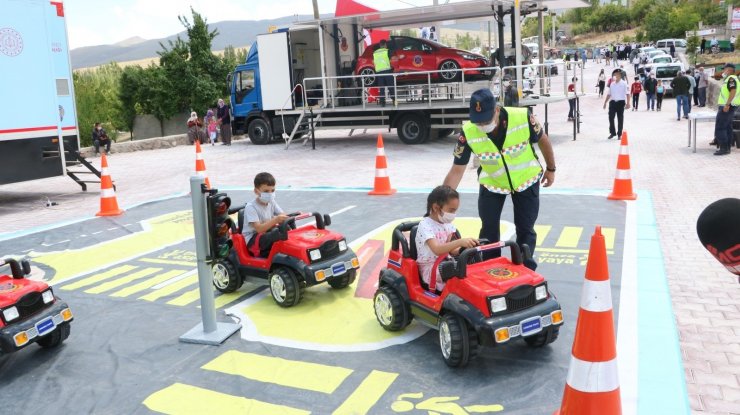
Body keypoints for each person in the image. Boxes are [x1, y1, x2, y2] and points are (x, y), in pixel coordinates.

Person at [443, 89, 556, 271]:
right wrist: (441, 203)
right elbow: (457, 170)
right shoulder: (468, 132)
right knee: (488, 230)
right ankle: (490, 269)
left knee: (526, 229)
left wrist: (551, 169)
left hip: (525, 180)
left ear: (496, 110)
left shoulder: (522, 117)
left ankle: (525, 270)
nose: (482, 125)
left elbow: (543, 140)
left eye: (486, 121)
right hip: (492, 183)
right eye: (477, 121)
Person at [415, 185, 478, 291]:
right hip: (430, 268)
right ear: (436, 208)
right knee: (454, 268)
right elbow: (437, 250)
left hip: (446, 261)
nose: (453, 214)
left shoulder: (447, 224)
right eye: (451, 210)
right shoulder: (425, 225)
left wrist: (465, 248)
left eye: (455, 211)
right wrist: (460, 242)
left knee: (474, 258)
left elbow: (452, 251)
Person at [242, 172, 289, 257]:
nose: (270, 194)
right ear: (256, 191)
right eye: (266, 191)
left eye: (272, 190)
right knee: (276, 234)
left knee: (287, 227)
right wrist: (276, 220)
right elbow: (259, 229)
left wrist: (293, 217)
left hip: (266, 232)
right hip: (253, 238)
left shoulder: (271, 202)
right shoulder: (251, 207)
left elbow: (282, 215)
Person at [713, 63, 739, 156]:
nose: (723, 71)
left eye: (724, 70)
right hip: (730, 106)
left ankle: (724, 148)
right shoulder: (733, 79)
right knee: (727, 127)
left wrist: (727, 104)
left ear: (728, 70)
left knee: (720, 127)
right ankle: (727, 148)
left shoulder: (731, 79)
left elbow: (733, 91)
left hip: (728, 106)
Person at [603, 68, 630, 140]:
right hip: (612, 102)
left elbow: (628, 94)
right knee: (611, 117)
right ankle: (612, 132)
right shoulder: (612, 84)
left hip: (621, 103)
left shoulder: (624, 83)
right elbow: (609, 94)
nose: (615, 76)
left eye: (617, 74)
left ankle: (619, 134)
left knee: (620, 118)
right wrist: (605, 102)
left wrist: (628, 103)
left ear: (620, 75)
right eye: (614, 75)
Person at [373, 39, 396, 107]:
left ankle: (382, 102)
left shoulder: (375, 52)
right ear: (385, 45)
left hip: (379, 72)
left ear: (380, 45)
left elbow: (374, 62)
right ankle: (394, 100)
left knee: (381, 88)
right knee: (390, 86)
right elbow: (393, 58)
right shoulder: (387, 51)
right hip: (387, 71)